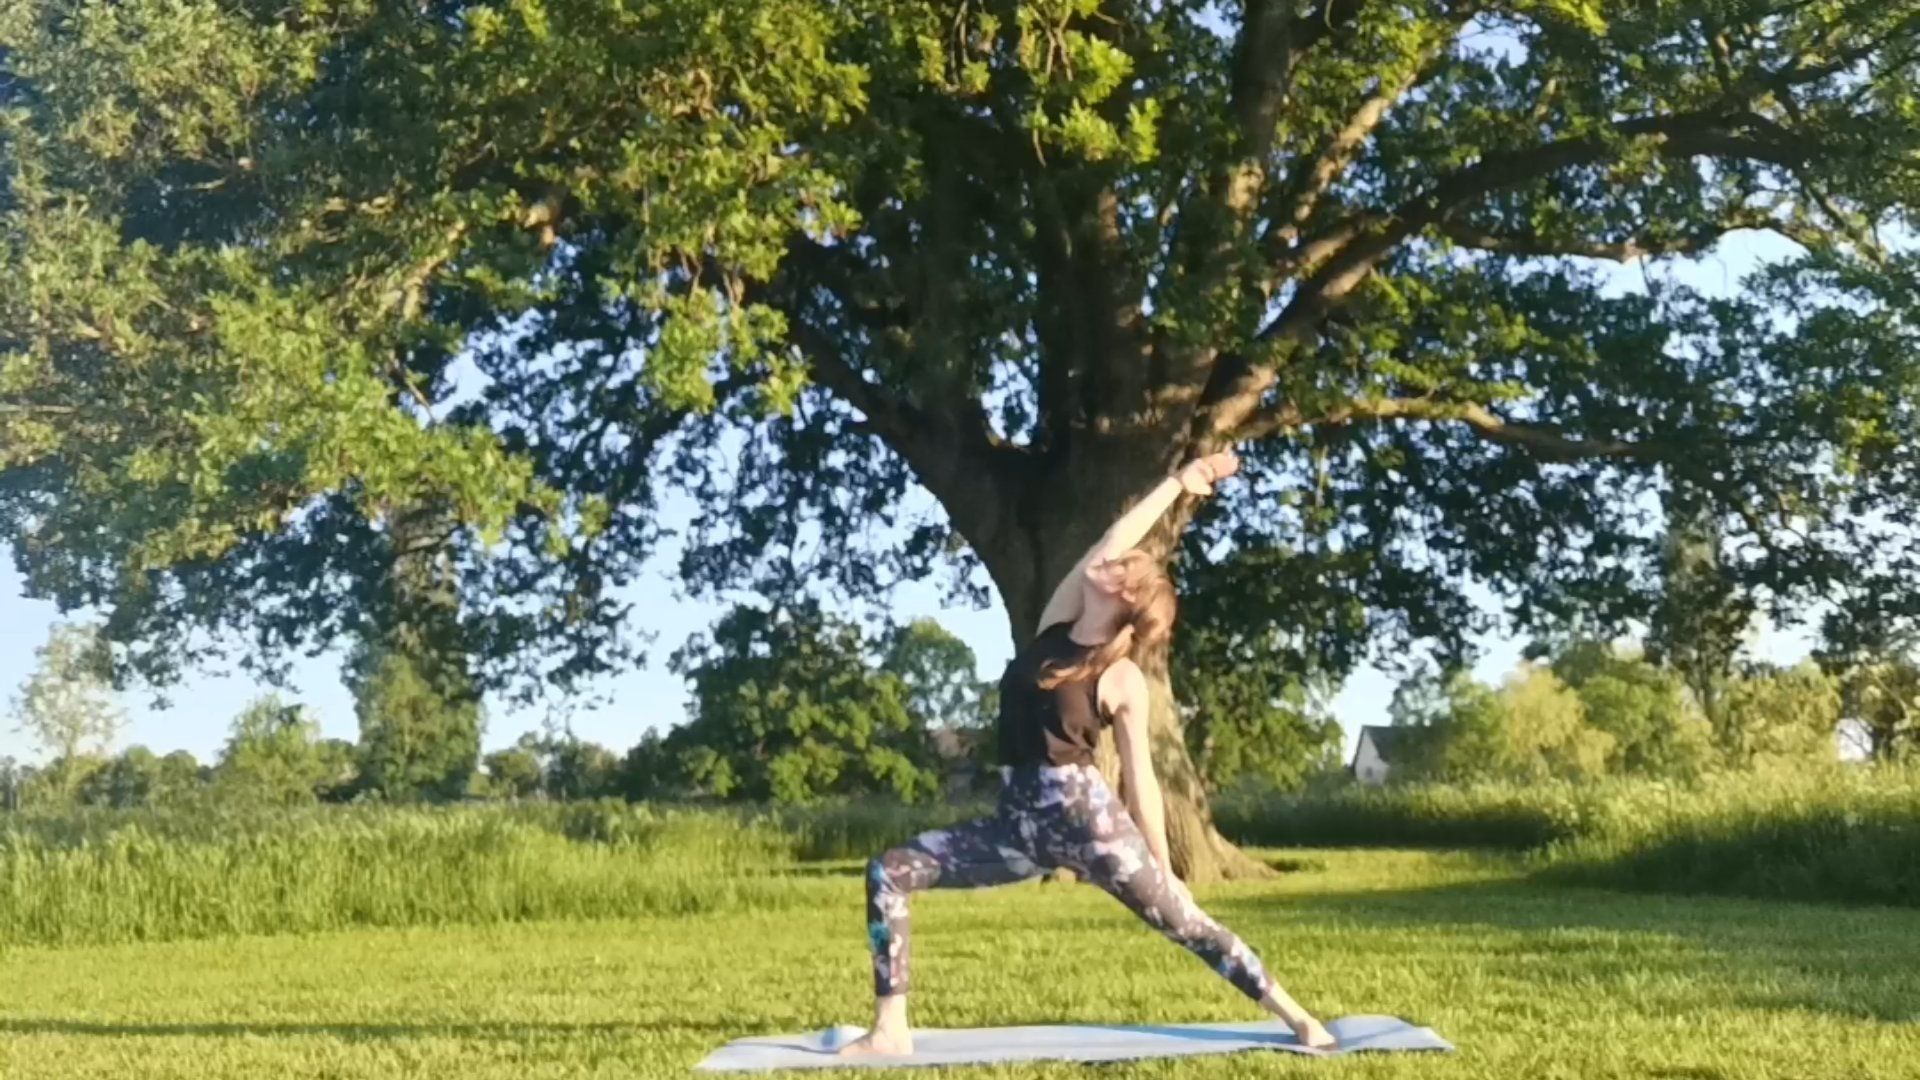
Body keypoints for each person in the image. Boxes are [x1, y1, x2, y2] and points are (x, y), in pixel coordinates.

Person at [840, 450, 1337, 1056]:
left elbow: (1142, 780)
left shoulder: (1124, 678)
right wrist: (1179, 483)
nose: (1108, 561)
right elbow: (1114, 534)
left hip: (1090, 823)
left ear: (1127, 598)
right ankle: (891, 1030)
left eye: (1123, 567)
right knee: (887, 872)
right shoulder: (1053, 629)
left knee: (1186, 924)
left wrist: (1164, 867)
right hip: (1015, 826)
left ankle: (1296, 1016)